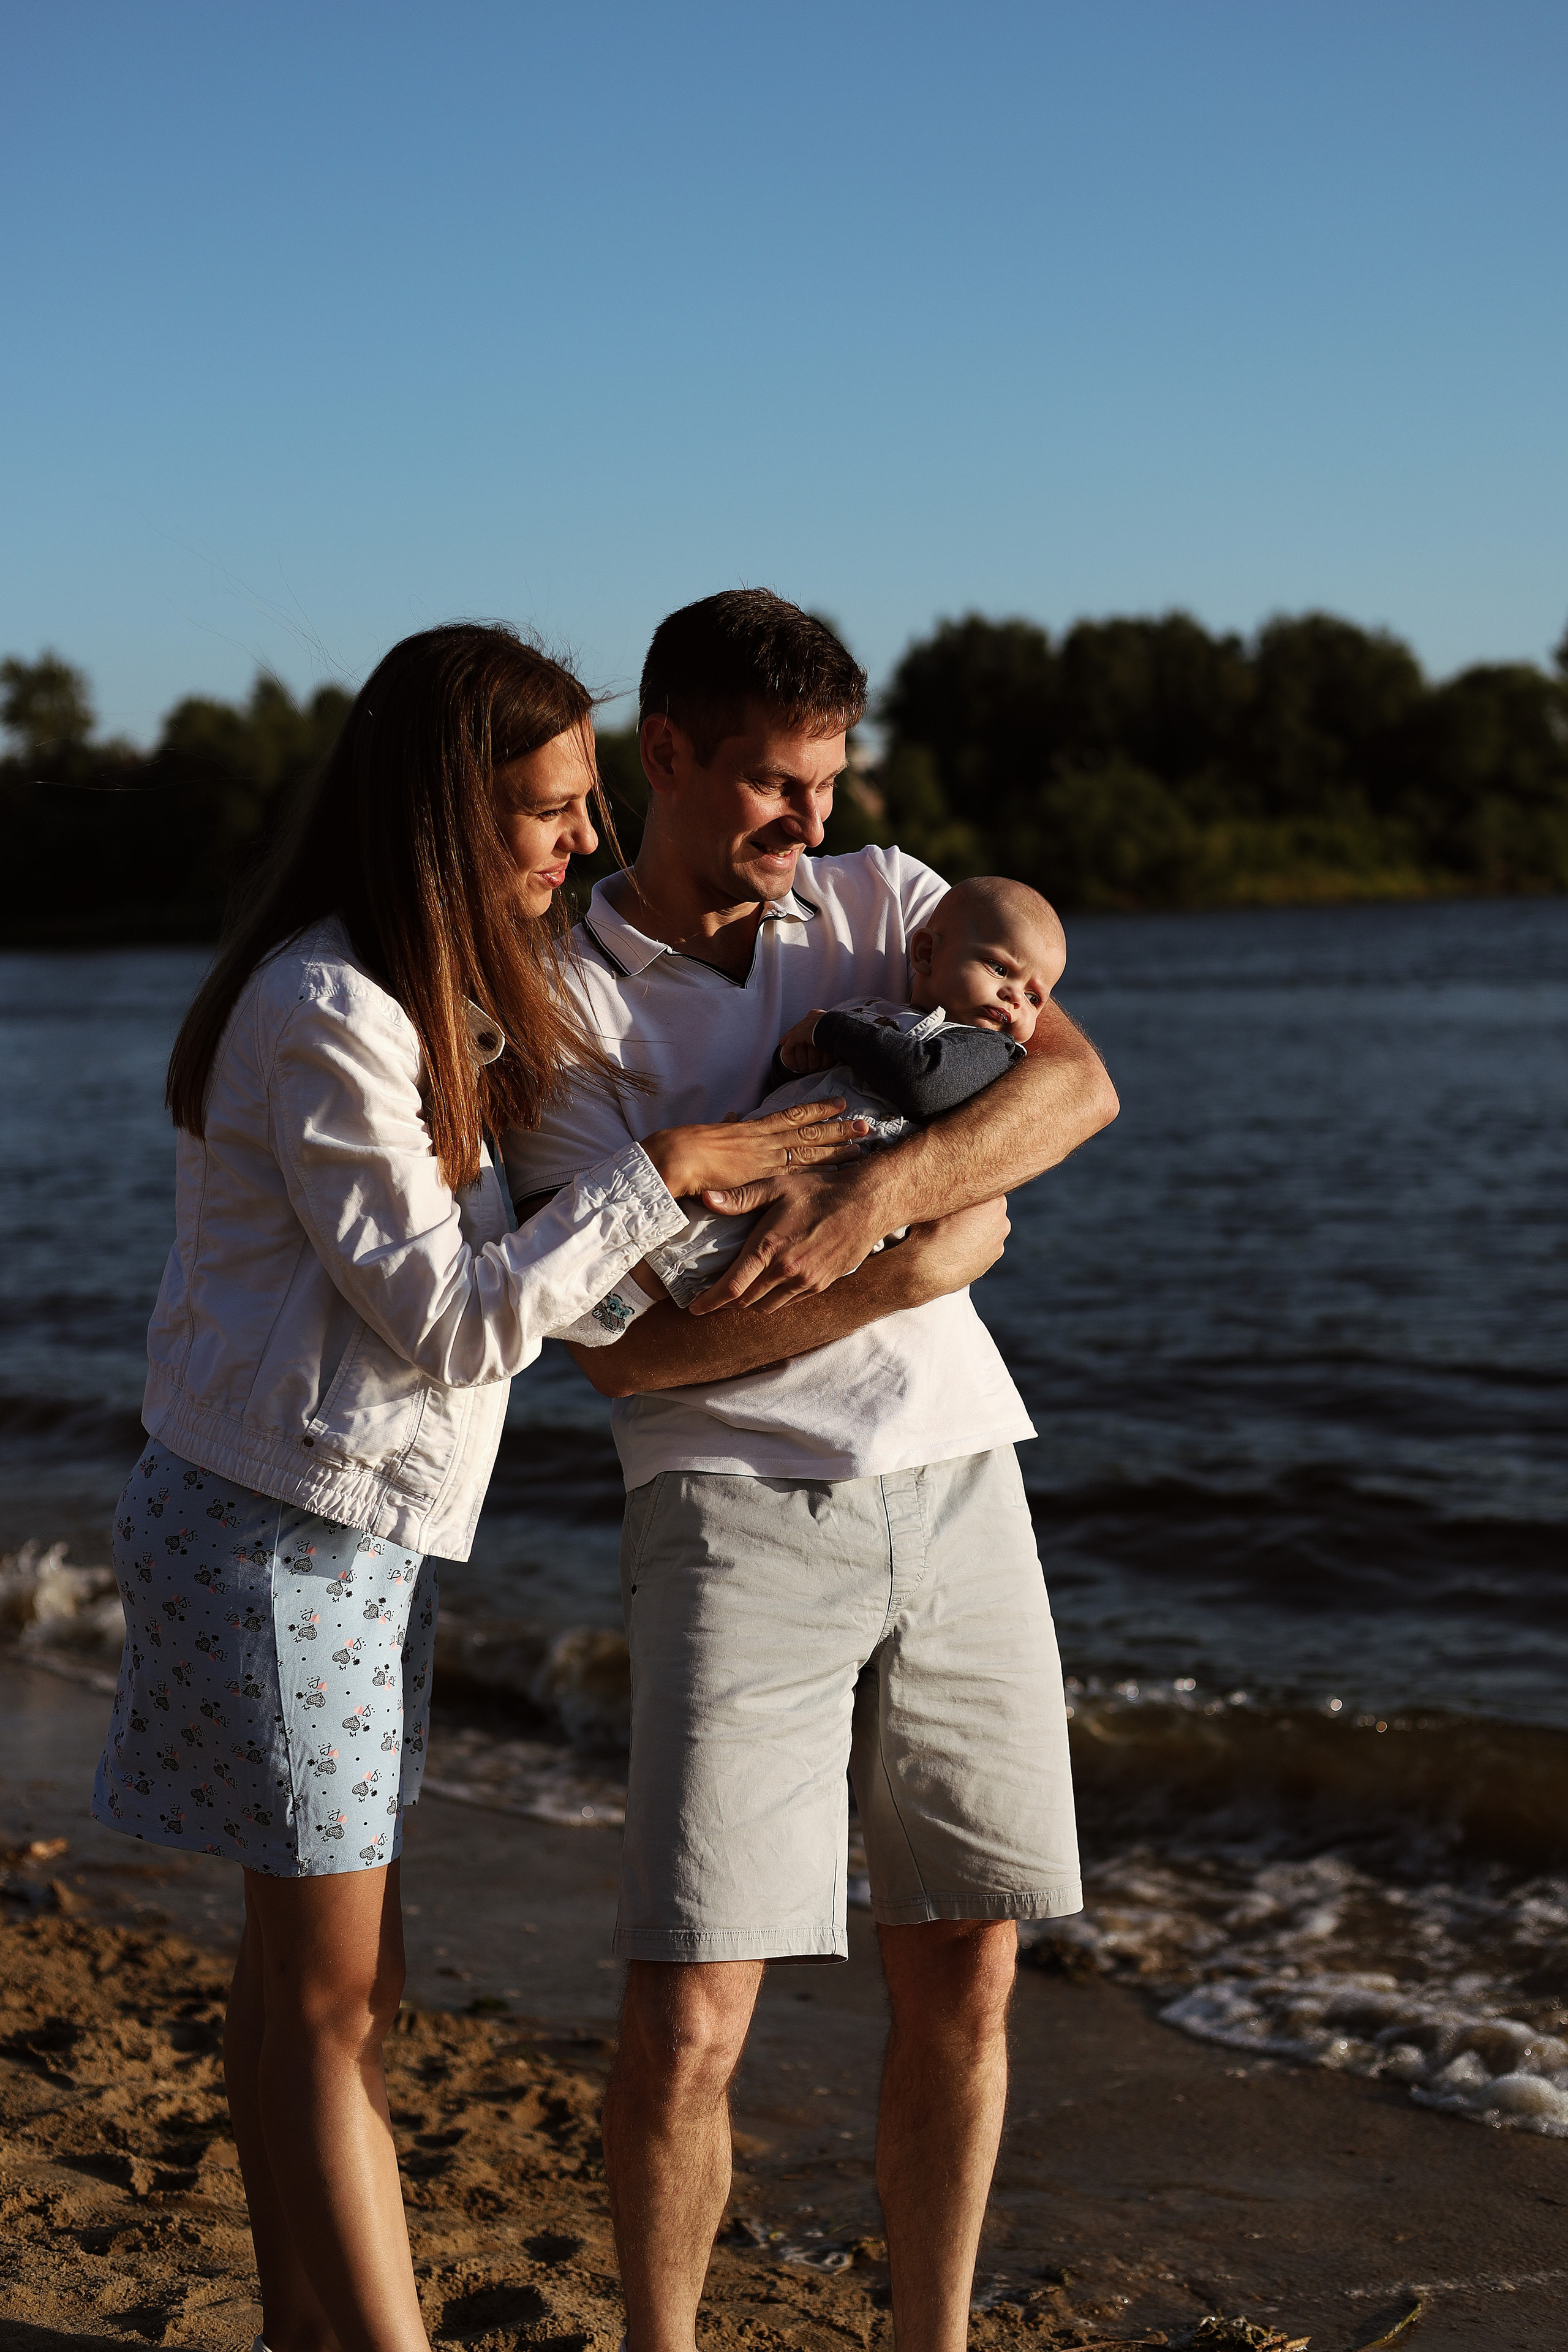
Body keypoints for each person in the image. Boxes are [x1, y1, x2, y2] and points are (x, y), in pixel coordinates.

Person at [89, 622, 867, 2352]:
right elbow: (453, 1320)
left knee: (305, 1989)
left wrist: (723, 1167)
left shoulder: (413, 991)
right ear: (444, 814)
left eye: (585, 805)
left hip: (323, 1532)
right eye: (544, 810)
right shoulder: (329, 1009)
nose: (578, 844)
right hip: (283, 1541)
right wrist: (668, 1173)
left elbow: (511, 1270)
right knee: (337, 2001)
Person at [502, 590, 1119, 2352]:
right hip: (725, 1515)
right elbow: (625, 1347)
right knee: (693, 2015)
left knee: (971, 1971)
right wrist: (920, 1261)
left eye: (830, 783)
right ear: (665, 757)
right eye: (773, 785)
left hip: (960, 1476)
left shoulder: (877, 902)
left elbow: (1067, 1093)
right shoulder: (558, 1007)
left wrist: (866, 1202)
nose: (810, 824)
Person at [557, 873, 1067, 1332]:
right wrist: (796, 1059)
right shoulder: (873, 1010)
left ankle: (607, 1310)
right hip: (782, 1140)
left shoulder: (989, 1049)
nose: (1014, 998)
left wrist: (829, 1027)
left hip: (846, 1169)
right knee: (688, 1208)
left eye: (1036, 996)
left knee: (718, 1233)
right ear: (928, 953)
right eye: (1000, 968)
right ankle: (577, 1285)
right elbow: (802, 1076)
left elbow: (922, 1083)